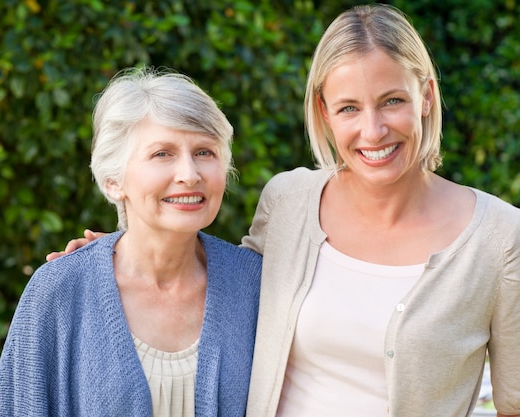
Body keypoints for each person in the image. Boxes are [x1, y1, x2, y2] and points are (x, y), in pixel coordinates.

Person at [47, 4, 520, 417]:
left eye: (392, 101)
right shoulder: (289, 201)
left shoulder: (500, 238)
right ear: (324, 111)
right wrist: (118, 257)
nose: (373, 131)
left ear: (427, 98)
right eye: (349, 107)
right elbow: (224, 290)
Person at [0, 67, 262, 416]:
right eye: (162, 154)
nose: (190, 174)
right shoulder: (59, 290)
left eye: (205, 152)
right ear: (114, 181)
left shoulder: (256, 285)